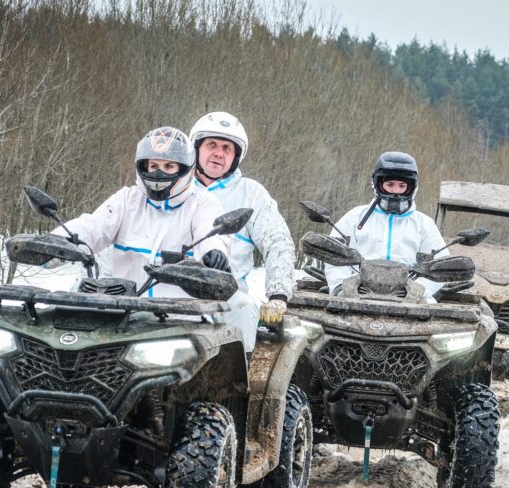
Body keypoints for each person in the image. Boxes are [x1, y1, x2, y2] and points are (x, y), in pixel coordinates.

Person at [48, 126, 247, 319]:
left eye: (168, 166)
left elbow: (209, 230)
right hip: (124, 315)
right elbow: (93, 226)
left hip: (181, 318)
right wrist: (56, 243)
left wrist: (214, 253)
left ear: (185, 168)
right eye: (154, 166)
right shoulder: (128, 200)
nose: (159, 173)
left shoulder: (200, 202)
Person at [189, 112, 295, 343]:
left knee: (245, 309)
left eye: (227, 148)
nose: (219, 153)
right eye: (212, 145)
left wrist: (278, 295)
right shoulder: (176, 186)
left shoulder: (251, 194)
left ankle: (241, 375)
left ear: (236, 156)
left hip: (228, 295)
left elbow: (278, 242)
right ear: (196, 148)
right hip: (173, 290)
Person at [323, 151, 448, 296]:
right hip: (357, 295)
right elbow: (334, 257)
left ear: (412, 187)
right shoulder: (355, 218)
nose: (396, 191)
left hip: (410, 300)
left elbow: (439, 266)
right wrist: (341, 286)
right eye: (390, 184)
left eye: (402, 186)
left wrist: (418, 291)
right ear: (378, 184)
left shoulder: (424, 225)